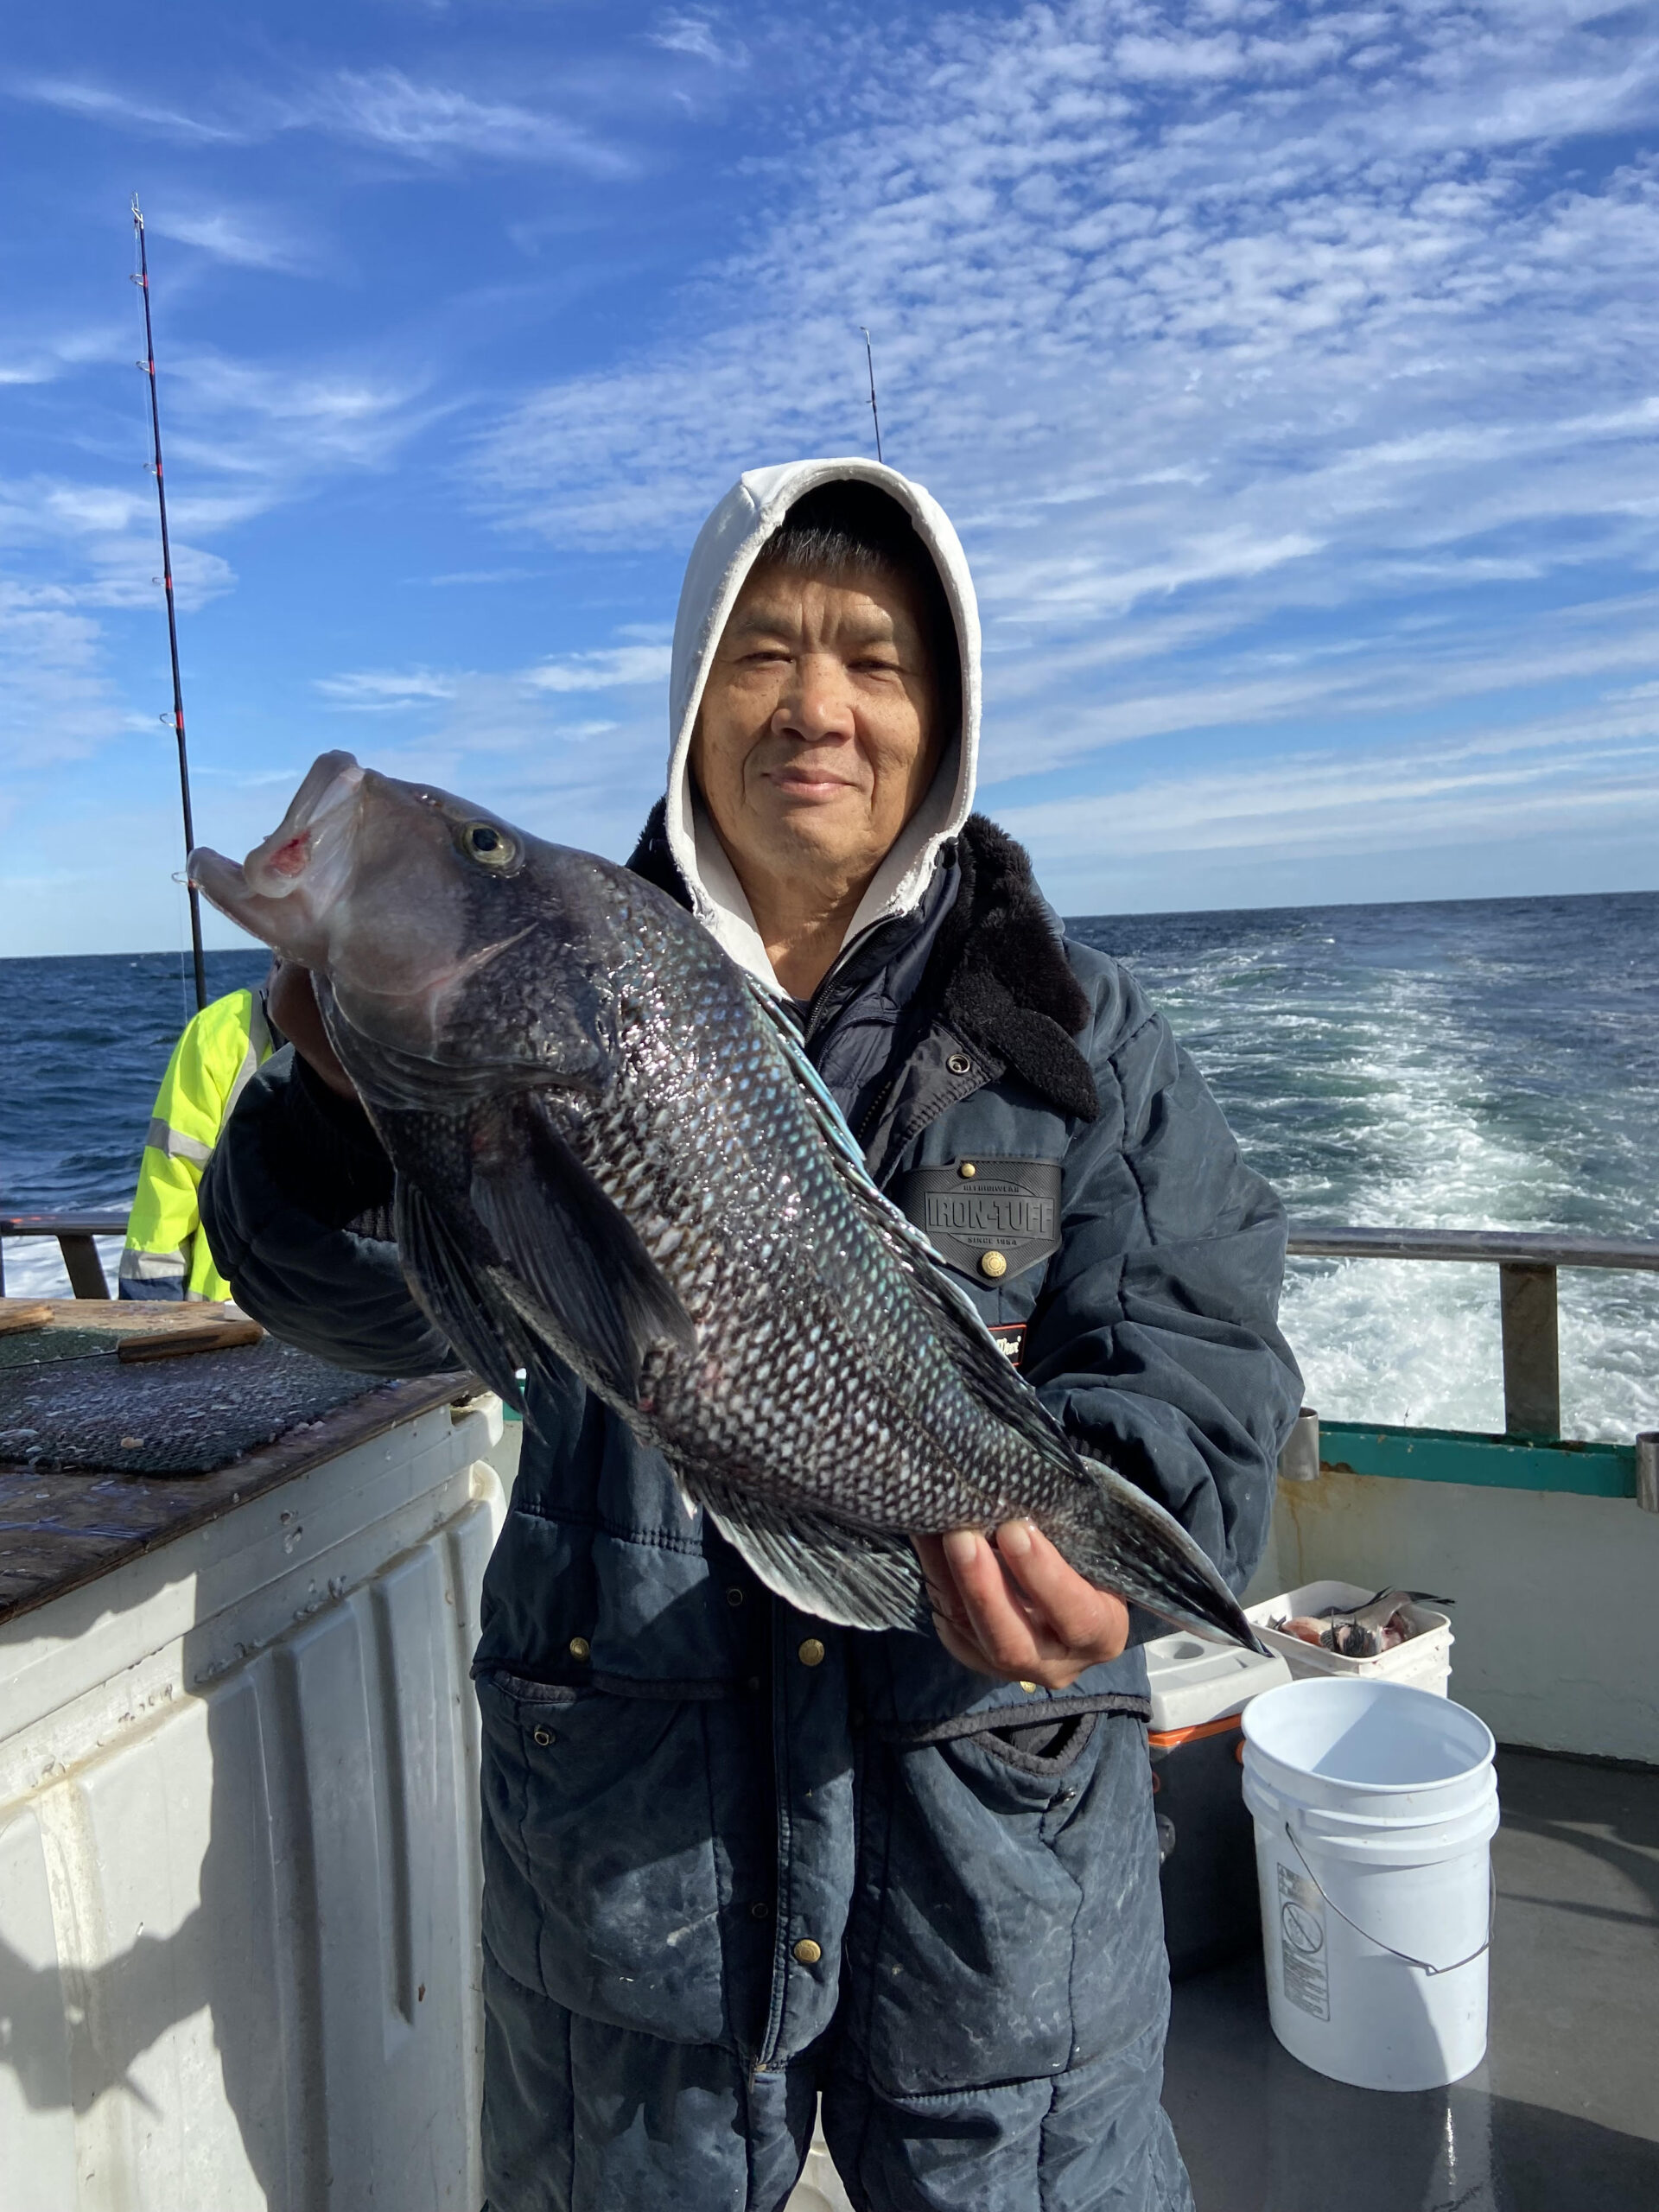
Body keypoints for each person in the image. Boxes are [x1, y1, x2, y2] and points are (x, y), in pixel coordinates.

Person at [201, 460, 1302, 2212]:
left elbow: (1209, 1343)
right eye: (761, 650)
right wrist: (348, 1111)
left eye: (877, 658)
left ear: (941, 719)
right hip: (630, 1883)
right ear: (687, 693)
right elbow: (344, 1301)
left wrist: (1122, 1527)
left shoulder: (1078, 1026)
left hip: (995, 1867)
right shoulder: (559, 966)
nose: (819, 707)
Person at [118, 965, 280, 1300]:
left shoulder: (407, 1033)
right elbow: (169, 1184)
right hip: (227, 1322)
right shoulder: (218, 1033)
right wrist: (152, 1312)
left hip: (380, 1333)